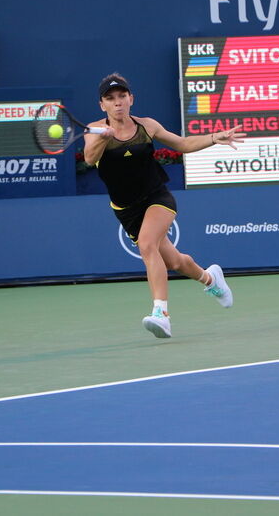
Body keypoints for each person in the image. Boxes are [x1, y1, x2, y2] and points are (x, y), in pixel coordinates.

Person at [84, 74, 244, 339]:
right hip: (126, 210)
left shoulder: (147, 126)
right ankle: (211, 279)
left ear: (131, 99)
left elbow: (181, 144)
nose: (118, 103)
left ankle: (161, 314)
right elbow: (90, 158)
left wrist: (215, 137)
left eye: (122, 97)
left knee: (147, 245)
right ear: (102, 105)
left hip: (157, 197)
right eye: (110, 99)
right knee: (175, 261)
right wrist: (104, 137)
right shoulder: (94, 130)